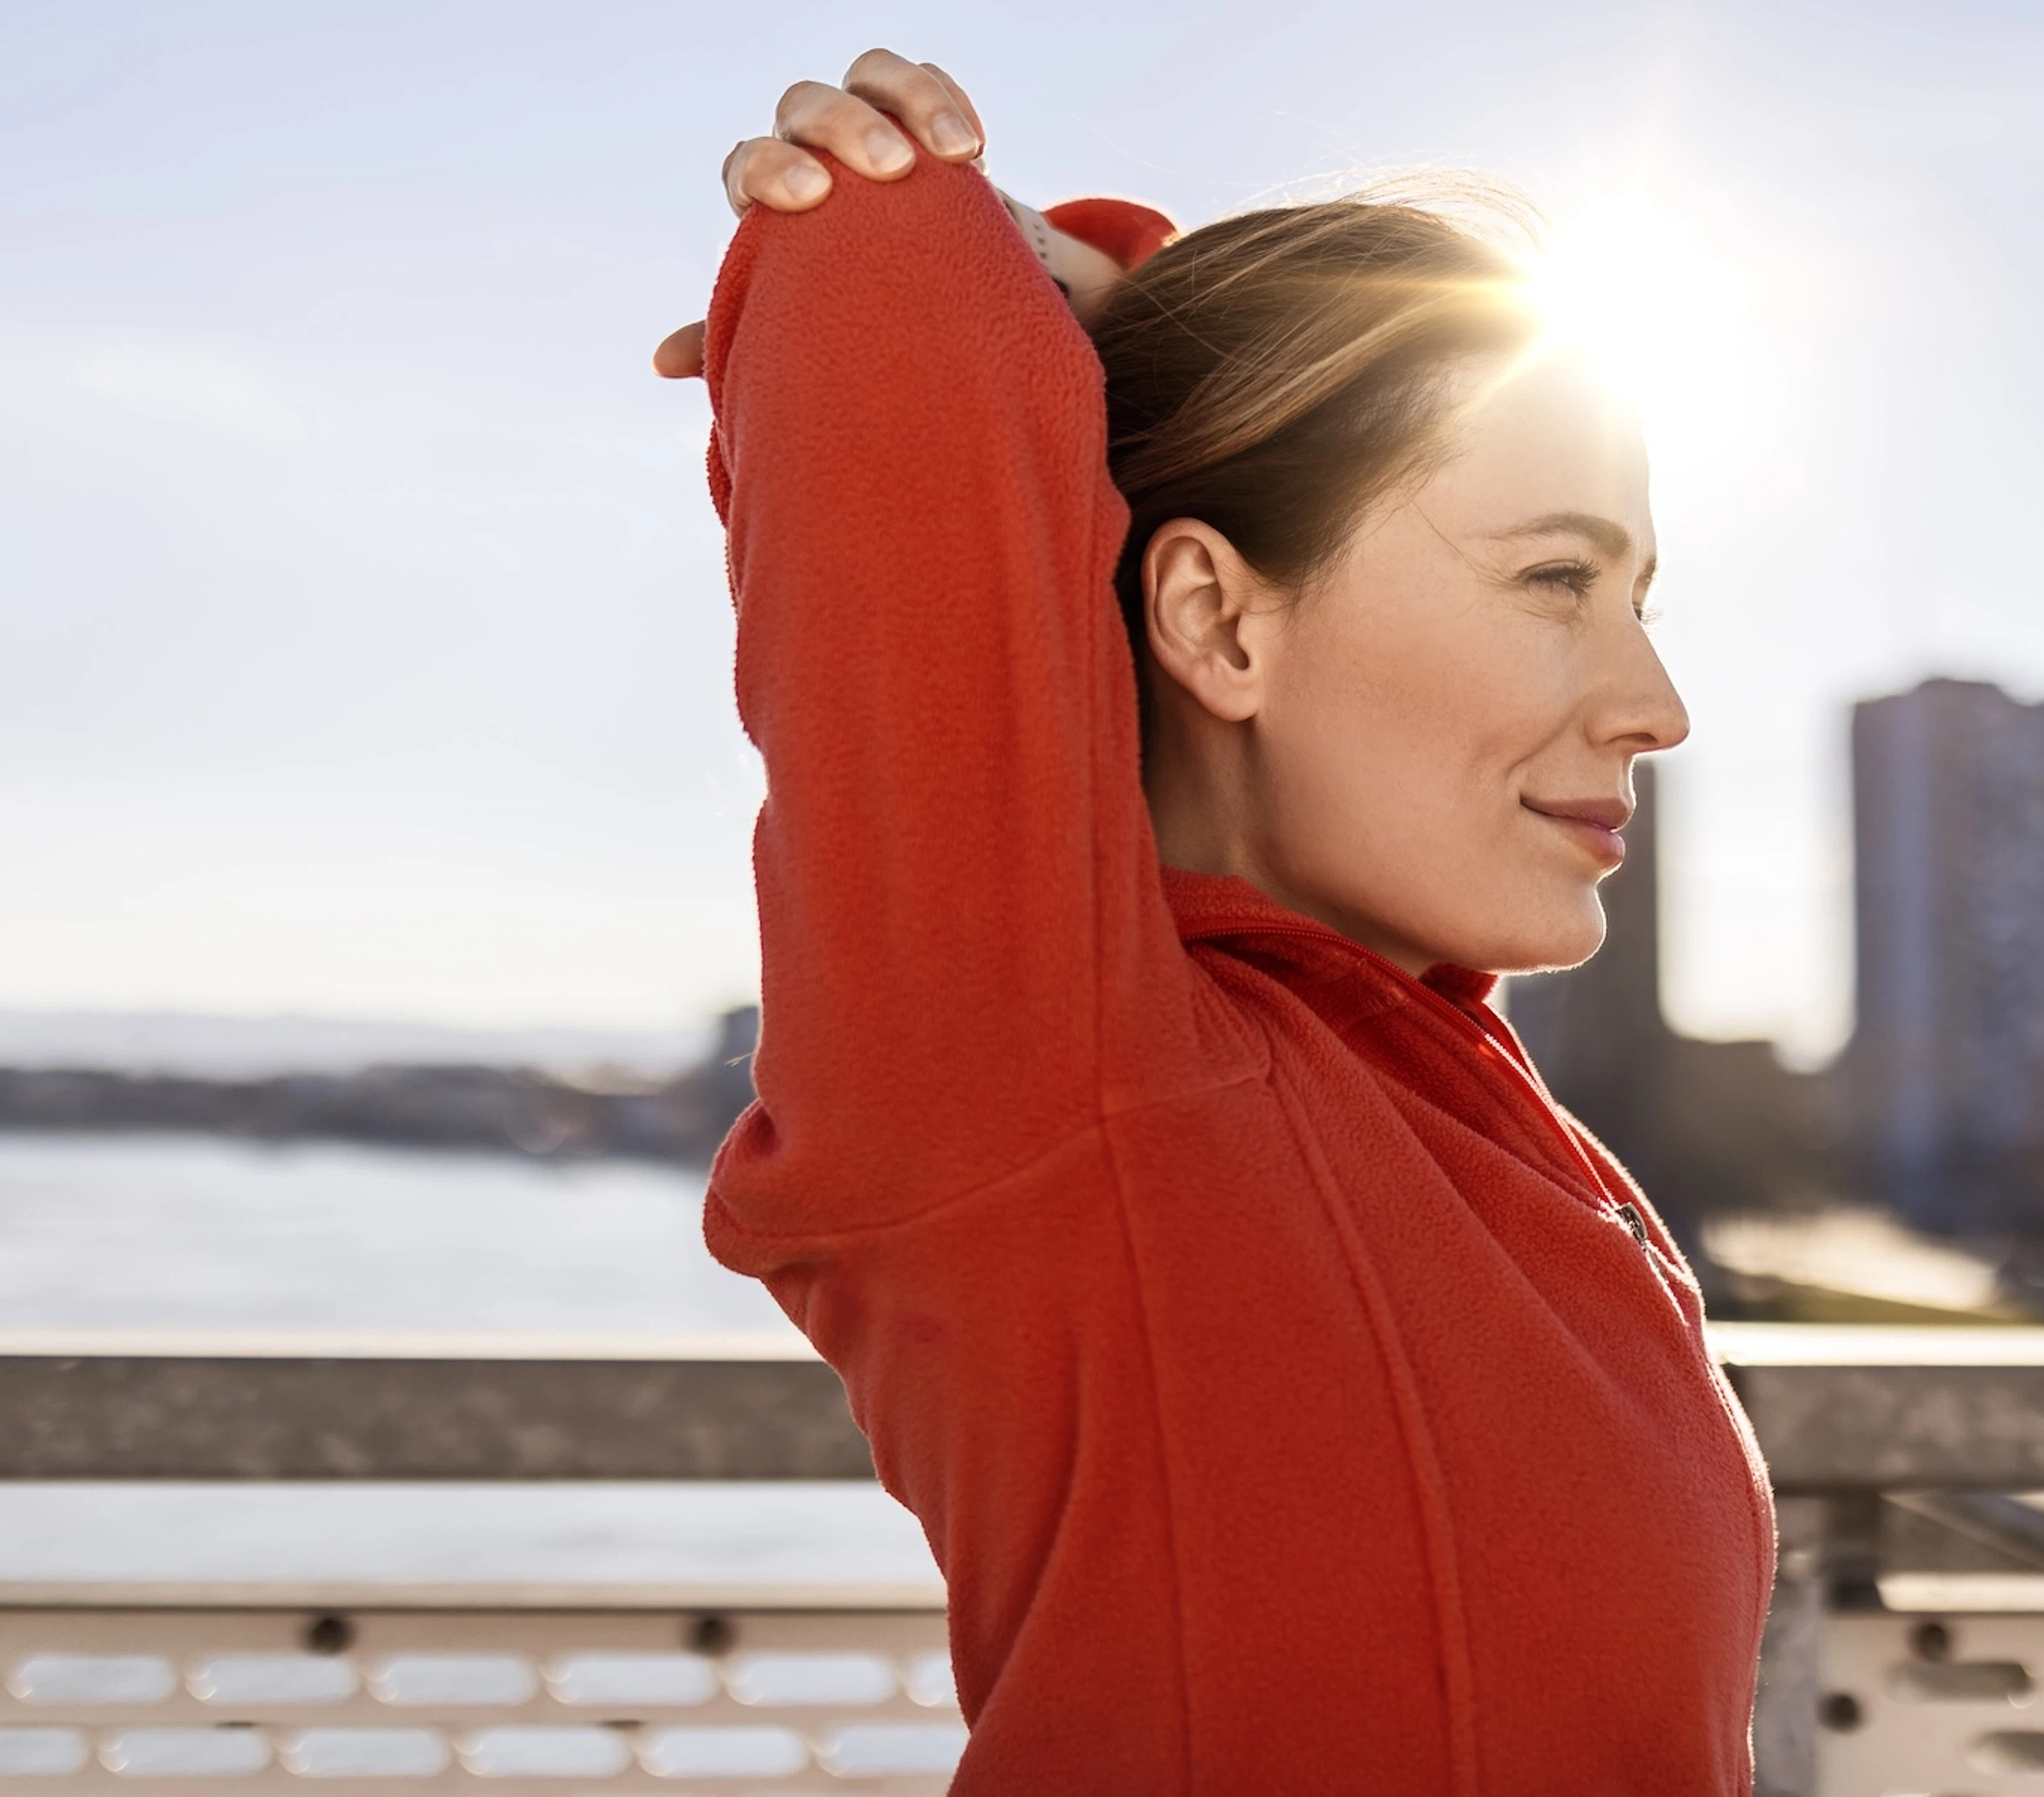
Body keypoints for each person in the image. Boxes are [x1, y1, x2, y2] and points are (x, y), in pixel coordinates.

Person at [660, 49, 1773, 1795]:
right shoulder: (1060, 1086)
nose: (1657, 701)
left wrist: (1141, 336)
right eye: (1556, 577)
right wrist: (978, 244)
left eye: (1640, 593)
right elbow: (885, 293)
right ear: (1214, 619)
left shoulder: (1457, 1104)